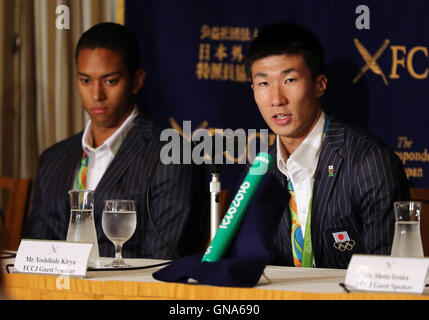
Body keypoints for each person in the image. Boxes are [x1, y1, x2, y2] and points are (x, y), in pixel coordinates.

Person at [22, 22, 206, 260]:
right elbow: (33, 254)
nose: (96, 95)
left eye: (110, 81)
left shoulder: (173, 155)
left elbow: (160, 260)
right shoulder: (53, 158)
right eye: (86, 81)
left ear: (137, 80)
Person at [243, 23, 409, 269]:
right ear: (253, 90)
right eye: (264, 84)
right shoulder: (260, 170)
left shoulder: (369, 161)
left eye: (289, 80)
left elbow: (388, 274)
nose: (276, 99)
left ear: (319, 85)